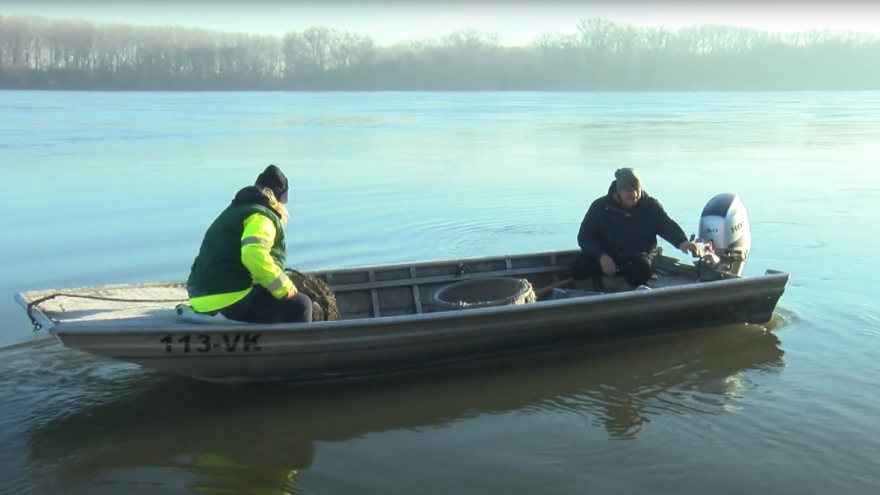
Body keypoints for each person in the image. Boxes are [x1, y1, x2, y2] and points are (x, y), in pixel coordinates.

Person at [186, 164, 313, 324]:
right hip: (228, 299)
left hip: (199, 297)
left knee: (270, 293)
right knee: (302, 305)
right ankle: (295, 347)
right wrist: (284, 287)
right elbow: (253, 253)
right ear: (277, 199)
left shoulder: (236, 210)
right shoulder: (262, 218)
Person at [573, 167, 697, 289]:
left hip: (636, 258)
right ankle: (591, 295)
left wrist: (682, 242)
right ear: (618, 191)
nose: (635, 195)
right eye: (629, 190)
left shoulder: (650, 206)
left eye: (637, 189)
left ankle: (625, 292)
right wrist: (601, 256)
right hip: (608, 257)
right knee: (580, 265)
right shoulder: (600, 207)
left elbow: (667, 226)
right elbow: (585, 237)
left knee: (642, 269)